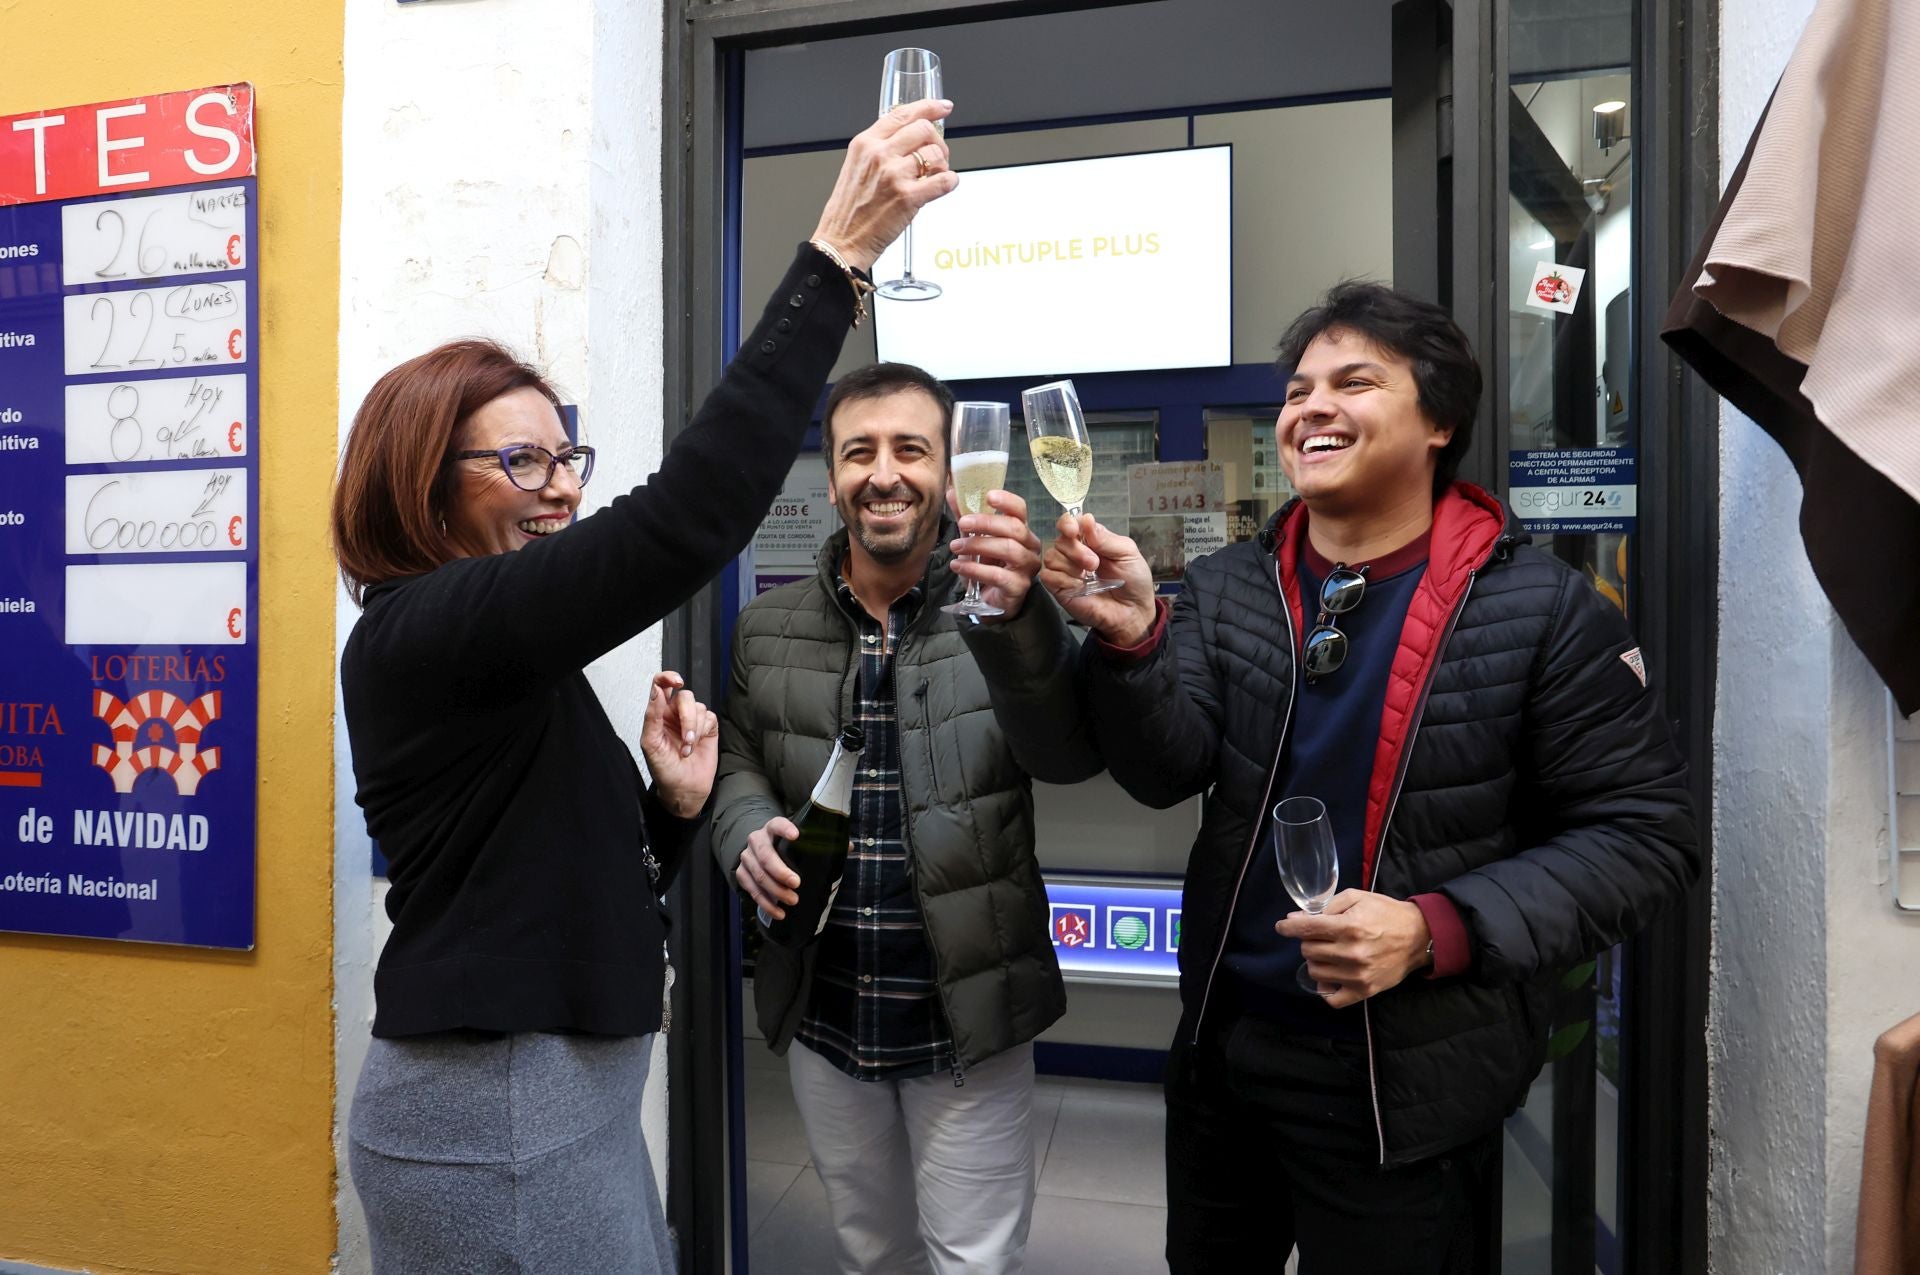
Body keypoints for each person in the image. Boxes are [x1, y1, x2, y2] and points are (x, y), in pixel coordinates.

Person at [332, 101, 958, 1273]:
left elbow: (544, 873)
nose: (560, 486)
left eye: (566, 455)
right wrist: (837, 261)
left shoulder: (488, 649)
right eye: (521, 459)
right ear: (422, 483)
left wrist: (671, 813)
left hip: (551, 1100)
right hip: (496, 1118)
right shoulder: (424, 629)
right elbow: (681, 522)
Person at [1036, 283, 1699, 1273]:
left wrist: (1435, 927)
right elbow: (1163, 772)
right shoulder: (1228, 589)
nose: (1310, 409)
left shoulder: (1546, 612)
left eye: (1354, 381)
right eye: (1299, 389)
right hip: (1230, 1055)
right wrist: (1135, 641)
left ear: (1439, 421)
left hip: (1412, 1085)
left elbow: (1646, 837)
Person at [713, 361, 1100, 1274]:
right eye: (859, 451)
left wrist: (1027, 620)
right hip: (825, 1005)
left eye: (910, 449)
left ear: (951, 469)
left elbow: (1069, 754)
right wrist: (743, 829)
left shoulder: (1005, 609)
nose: (883, 472)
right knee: (869, 1248)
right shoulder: (765, 627)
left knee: (972, 1258)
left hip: (965, 1007)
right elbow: (734, 757)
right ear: (833, 470)